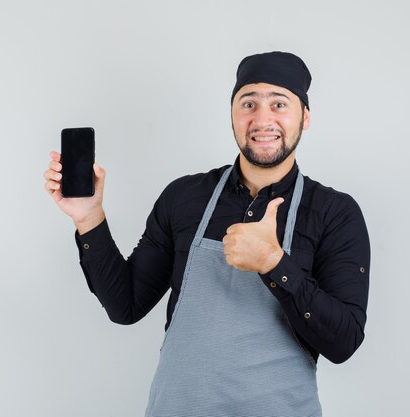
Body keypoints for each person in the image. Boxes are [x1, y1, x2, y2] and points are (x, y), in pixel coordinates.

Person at [44, 51, 370, 417]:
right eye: (249, 103)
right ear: (232, 115)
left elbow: (344, 342)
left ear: (304, 117)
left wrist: (274, 264)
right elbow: (126, 306)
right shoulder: (185, 197)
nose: (263, 119)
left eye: (279, 103)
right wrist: (89, 218)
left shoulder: (334, 213)